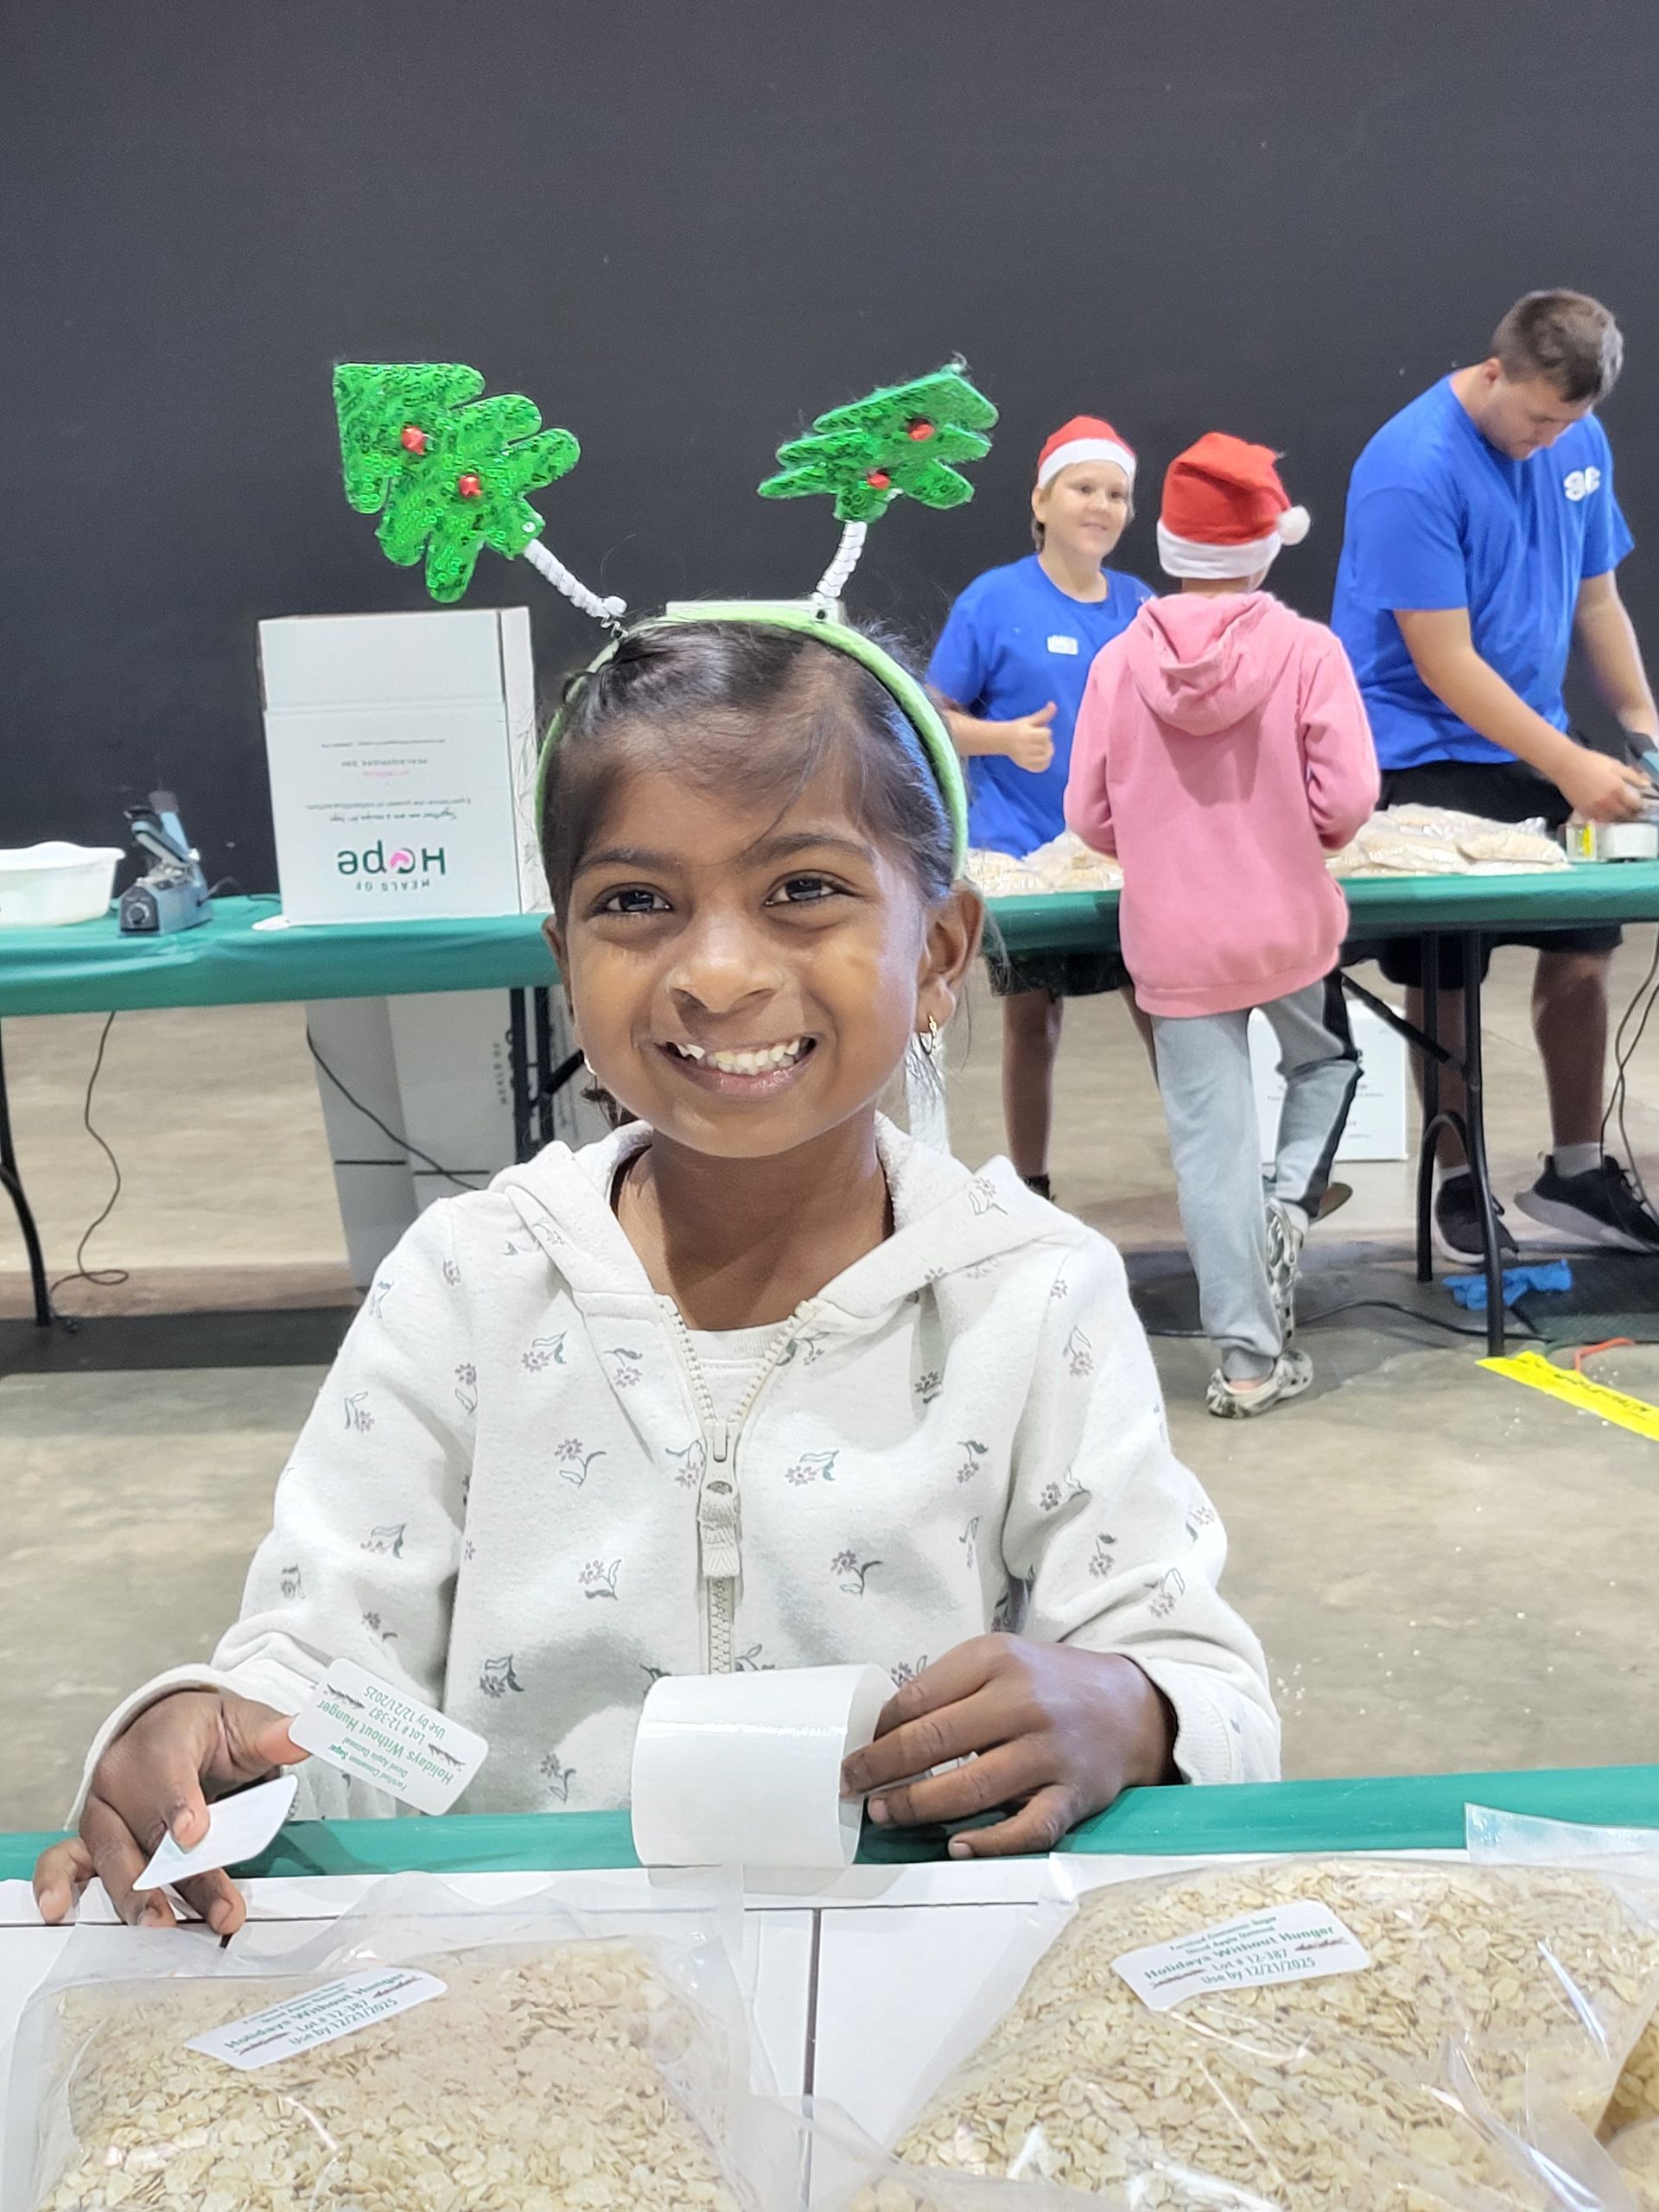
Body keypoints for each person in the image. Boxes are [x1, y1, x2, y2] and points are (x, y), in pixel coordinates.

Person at [35, 610, 1278, 1935]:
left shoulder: (1033, 1296)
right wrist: (206, 1734)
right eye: (637, 903)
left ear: (939, 953)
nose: (722, 973)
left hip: (913, 1977)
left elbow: (1208, 1690)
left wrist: (1134, 1708)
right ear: (566, 963)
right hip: (530, 2002)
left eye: (805, 889)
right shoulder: (468, 1282)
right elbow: (325, 1677)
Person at [1331, 289, 1659, 1264]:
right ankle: (1457, 1176)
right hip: (1416, 742)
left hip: (1533, 737)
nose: (1550, 437)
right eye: (1539, 417)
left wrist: (1639, 719)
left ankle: (1575, 1167)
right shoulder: (1409, 468)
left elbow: (1598, 597)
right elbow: (1444, 660)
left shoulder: (1577, 444)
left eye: (1572, 420)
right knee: (1448, 975)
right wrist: (1572, 765)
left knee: (1585, 948)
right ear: (1494, 371)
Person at [1068, 437, 1379, 1417]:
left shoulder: (1120, 662)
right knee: (1328, 1063)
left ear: (1168, 544)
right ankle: (1287, 1210)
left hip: (1171, 935)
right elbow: (1350, 797)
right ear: (1265, 546)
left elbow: (1088, 814)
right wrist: (1298, 828)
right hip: (1286, 920)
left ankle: (1246, 1364)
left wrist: (1160, 847)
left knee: (1208, 1144)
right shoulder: (1308, 650)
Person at [927, 417, 1156, 1198]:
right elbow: (929, 718)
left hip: (1126, 858)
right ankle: (1031, 1186)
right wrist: (998, 738)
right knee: (1032, 1019)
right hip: (1022, 856)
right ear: (1042, 500)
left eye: (1117, 493)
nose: (1101, 506)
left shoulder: (1141, 605)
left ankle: (1211, 1164)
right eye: (1084, 488)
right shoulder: (993, 601)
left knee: (1165, 1006)